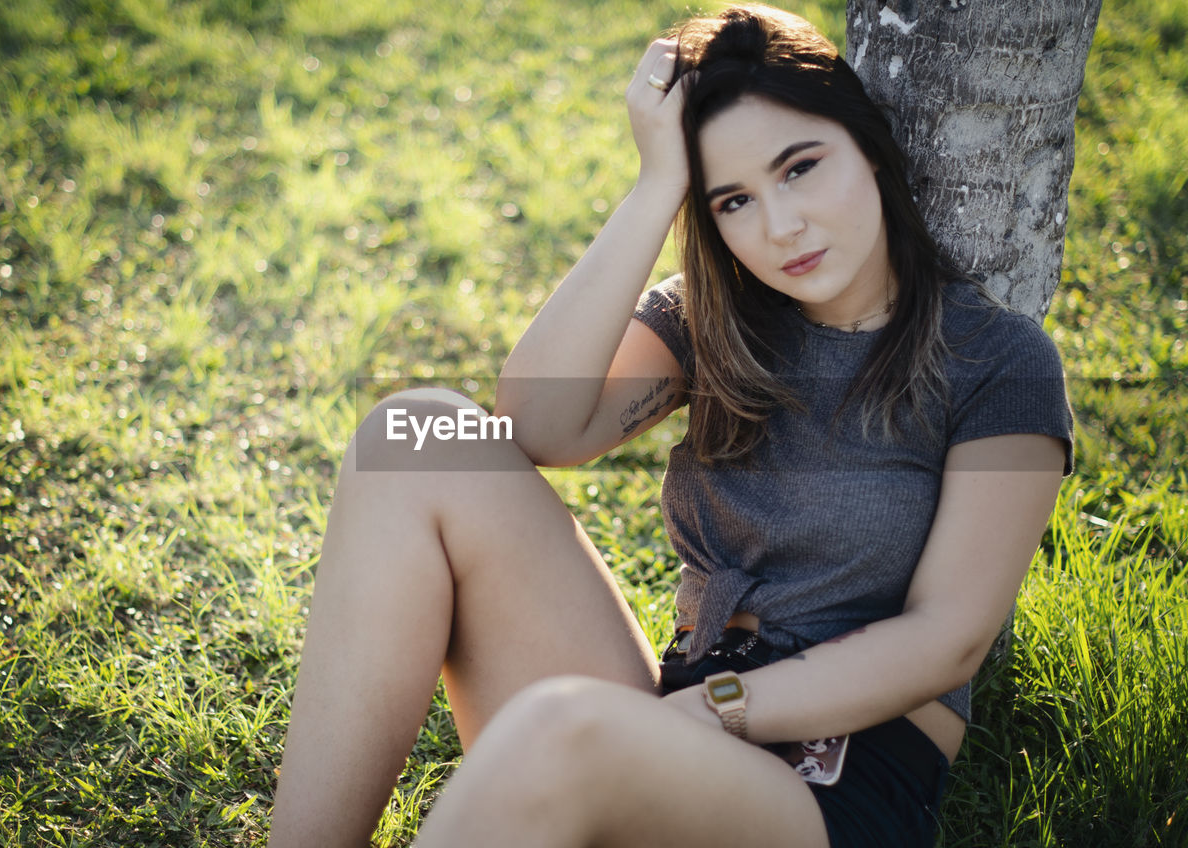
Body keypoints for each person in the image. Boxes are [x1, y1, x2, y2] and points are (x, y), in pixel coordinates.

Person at [267, 4, 1073, 847]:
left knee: (561, 731)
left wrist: (714, 712)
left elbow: (947, 641)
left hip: (833, 785)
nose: (781, 226)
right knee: (416, 439)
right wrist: (656, 186)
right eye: (734, 200)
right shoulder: (719, 319)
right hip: (677, 719)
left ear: (868, 146)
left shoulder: (998, 360)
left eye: (800, 168)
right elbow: (542, 425)